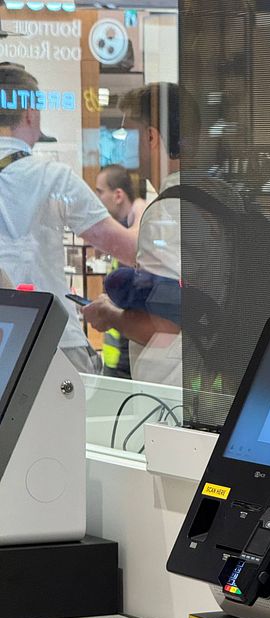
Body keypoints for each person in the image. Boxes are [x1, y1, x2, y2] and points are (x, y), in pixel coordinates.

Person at [84, 82, 241, 387]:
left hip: (174, 389)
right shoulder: (224, 196)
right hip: (217, 376)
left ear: (151, 138)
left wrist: (111, 315)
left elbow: (162, 325)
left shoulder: (167, 212)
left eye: (127, 134)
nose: (120, 145)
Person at [0, 64, 138, 374]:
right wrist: (143, 212)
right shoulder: (52, 177)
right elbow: (128, 249)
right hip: (52, 342)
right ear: (30, 115)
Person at [95, 164, 146, 379]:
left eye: (100, 192)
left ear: (118, 195)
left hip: (128, 361)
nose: (97, 200)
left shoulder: (139, 239)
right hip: (118, 359)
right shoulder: (125, 231)